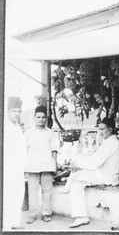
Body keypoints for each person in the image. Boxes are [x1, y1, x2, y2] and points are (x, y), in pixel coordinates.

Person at [58, 117, 119, 228]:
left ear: (110, 130)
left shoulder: (112, 142)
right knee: (76, 186)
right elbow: (94, 159)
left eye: (103, 129)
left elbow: (95, 162)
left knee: (78, 172)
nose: (100, 132)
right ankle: (81, 217)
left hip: (106, 176)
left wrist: (79, 165)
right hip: (102, 173)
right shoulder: (108, 142)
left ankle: (66, 188)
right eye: (99, 129)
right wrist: (80, 163)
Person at [24, 105, 58, 224]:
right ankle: (33, 214)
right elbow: (24, 149)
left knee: (47, 190)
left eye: (43, 117)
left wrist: (55, 164)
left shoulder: (50, 133)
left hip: (47, 165)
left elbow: (54, 149)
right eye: (38, 117)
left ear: (46, 118)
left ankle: (46, 213)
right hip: (32, 165)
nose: (41, 120)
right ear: (34, 118)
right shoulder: (28, 132)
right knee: (32, 191)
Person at [3, 97, 26, 230]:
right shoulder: (5, 126)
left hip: (18, 167)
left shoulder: (17, 126)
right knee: (8, 195)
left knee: (18, 193)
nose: (16, 113)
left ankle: (14, 222)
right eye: (13, 111)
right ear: (7, 111)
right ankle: (5, 225)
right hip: (7, 168)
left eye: (19, 111)